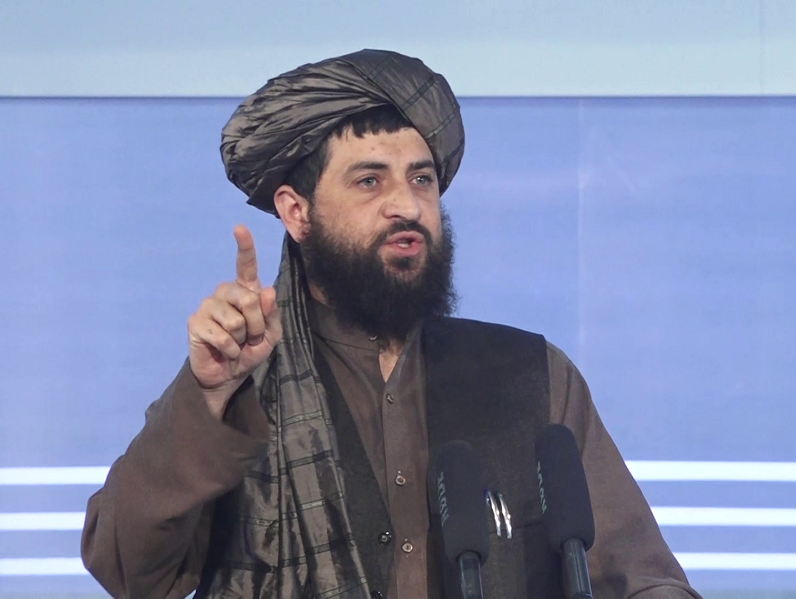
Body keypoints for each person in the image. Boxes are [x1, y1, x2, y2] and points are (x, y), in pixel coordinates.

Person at [81, 49, 701, 599]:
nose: (406, 205)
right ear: (296, 213)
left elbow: (639, 576)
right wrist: (207, 395)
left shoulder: (532, 374)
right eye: (369, 181)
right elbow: (130, 573)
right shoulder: (239, 385)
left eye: (421, 179)